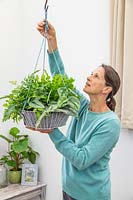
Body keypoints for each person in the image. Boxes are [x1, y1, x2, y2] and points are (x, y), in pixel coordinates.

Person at [28, 20, 121, 200]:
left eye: (96, 76)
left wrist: (52, 131)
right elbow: (61, 80)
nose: (89, 77)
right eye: (91, 73)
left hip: (90, 195)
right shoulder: (83, 107)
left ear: (106, 89)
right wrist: (52, 40)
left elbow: (81, 159)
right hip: (69, 188)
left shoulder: (110, 124)